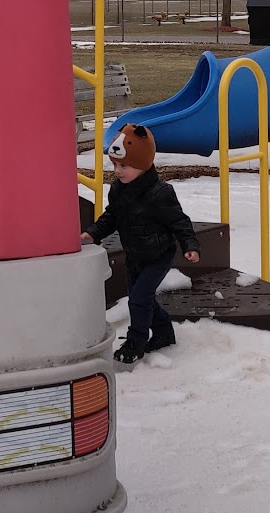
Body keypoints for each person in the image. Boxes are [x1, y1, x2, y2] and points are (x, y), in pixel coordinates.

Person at [81, 123, 201, 365]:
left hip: (158, 255)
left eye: (123, 165)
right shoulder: (119, 190)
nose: (117, 171)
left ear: (143, 165)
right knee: (141, 298)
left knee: (137, 299)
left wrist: (190, 245)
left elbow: (180, 221)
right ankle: (164, 333)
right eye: (114, 164)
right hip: (135, 256)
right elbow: (112, 216)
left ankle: (136, 342)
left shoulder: (160, 193)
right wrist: (93, 233)